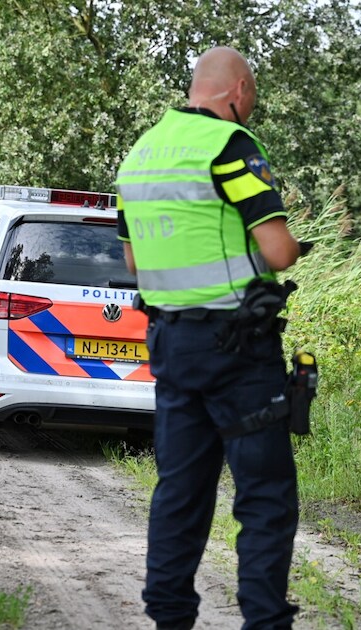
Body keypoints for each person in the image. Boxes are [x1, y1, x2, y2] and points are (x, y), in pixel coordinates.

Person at [115, 46, 303, 630]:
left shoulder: (140, 156)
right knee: (264, 497)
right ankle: (265, 623)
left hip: (171, 346)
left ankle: (170, 620)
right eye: (253, 96)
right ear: (238, 90)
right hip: (239, 352)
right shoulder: (230, 147)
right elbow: (279, 251)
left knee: (180, 492)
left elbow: (134, 263)